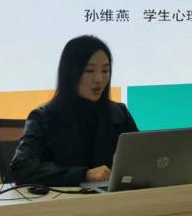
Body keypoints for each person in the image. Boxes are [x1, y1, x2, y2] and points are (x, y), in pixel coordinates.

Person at [10, 35, 139, 186]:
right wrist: (84, 175)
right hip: (66, 199)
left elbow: (144, 157)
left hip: (115, 197)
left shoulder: (119, 114)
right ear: (70, 73)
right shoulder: (43, 118)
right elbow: (22, 168)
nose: (99, 79)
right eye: (89, 70)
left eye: (105, 70)